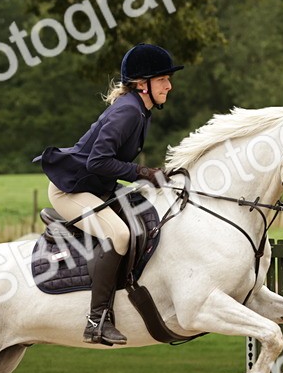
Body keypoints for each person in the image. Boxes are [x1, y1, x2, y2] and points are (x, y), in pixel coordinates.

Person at [33, 43, 183, 346]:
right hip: (71, 189)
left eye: (168, 78)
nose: (169, 84)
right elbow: (97, 161)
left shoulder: (139, 109)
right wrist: (141, 173)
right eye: (163, 79)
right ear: (143, 84)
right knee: (119, 235)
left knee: (146, 210)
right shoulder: (128, 111)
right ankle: (97, 320)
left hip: (96, 185)